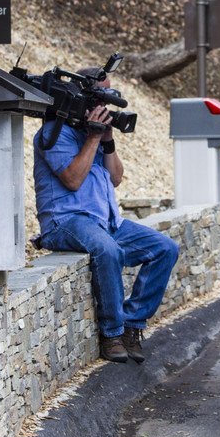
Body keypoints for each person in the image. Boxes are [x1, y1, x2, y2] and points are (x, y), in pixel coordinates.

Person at [32, 68, 179, 364]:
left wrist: (107, 140)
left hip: (106, 221)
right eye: (101, 98)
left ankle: (132, 324)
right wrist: (93, 138)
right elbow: (72, 179)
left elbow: (116, 178)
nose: (105, 106)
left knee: (165, 248)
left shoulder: (94, 133)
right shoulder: (54, 133)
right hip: (66, 221)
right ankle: (112, 334)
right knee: (107, 250)